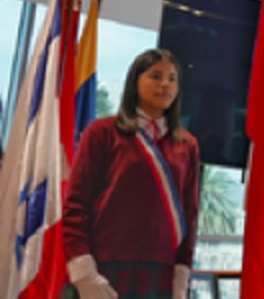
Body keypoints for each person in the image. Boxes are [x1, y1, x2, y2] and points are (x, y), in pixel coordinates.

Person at [62, 48, 199, 299]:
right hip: (104, 265)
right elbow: (76, 204)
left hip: (162, 271)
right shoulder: (102, 132)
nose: (165, 84)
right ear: (134, 81)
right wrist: (83, 270)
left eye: (172, 79)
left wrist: (182, 273)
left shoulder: (187, 144)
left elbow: (190, 214)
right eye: (155, 76)